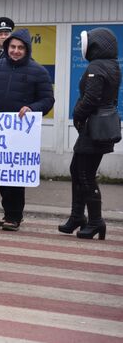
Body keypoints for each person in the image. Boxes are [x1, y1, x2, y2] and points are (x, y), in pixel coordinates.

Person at [0, 28, 55, 231]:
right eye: (13, 47)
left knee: (15, 177)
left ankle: (14, 216)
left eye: (20, 48)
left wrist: (32, 108)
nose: (16, 51)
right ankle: (10, 212)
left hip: (20, 134)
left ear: (27, 50)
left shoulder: (38, 71)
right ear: (7, 47)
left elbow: (47, 100)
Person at [59, 28, 120, 240]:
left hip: (93, 127)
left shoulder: (97, 66)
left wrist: (76, 114)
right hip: (99, 126)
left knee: (84, 174)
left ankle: (95, 221)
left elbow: (92, 98)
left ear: (97, 45)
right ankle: (77, 217)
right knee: (77, 170)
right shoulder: (111, 65)